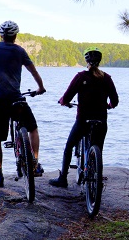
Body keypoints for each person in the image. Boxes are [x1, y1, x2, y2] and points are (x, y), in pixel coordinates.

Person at [0, 20, 46, 187]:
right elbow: (34, 71)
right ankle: (34, 164)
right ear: (15, 36)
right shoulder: (20, 51)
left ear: (1, 36)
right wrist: (40, 87)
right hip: (15, 99)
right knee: (32, 128)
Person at [49, 47, 119, 188]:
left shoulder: (81, 77)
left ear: (86, 61)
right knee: (98, 147)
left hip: (83, 120)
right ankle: (96, 173)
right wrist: (109, 106)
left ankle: (63, 179)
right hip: (101, 120)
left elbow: (67, 96)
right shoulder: (106, 78)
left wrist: (63, 102)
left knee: (69, 147)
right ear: (99, 61)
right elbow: (115, 101)